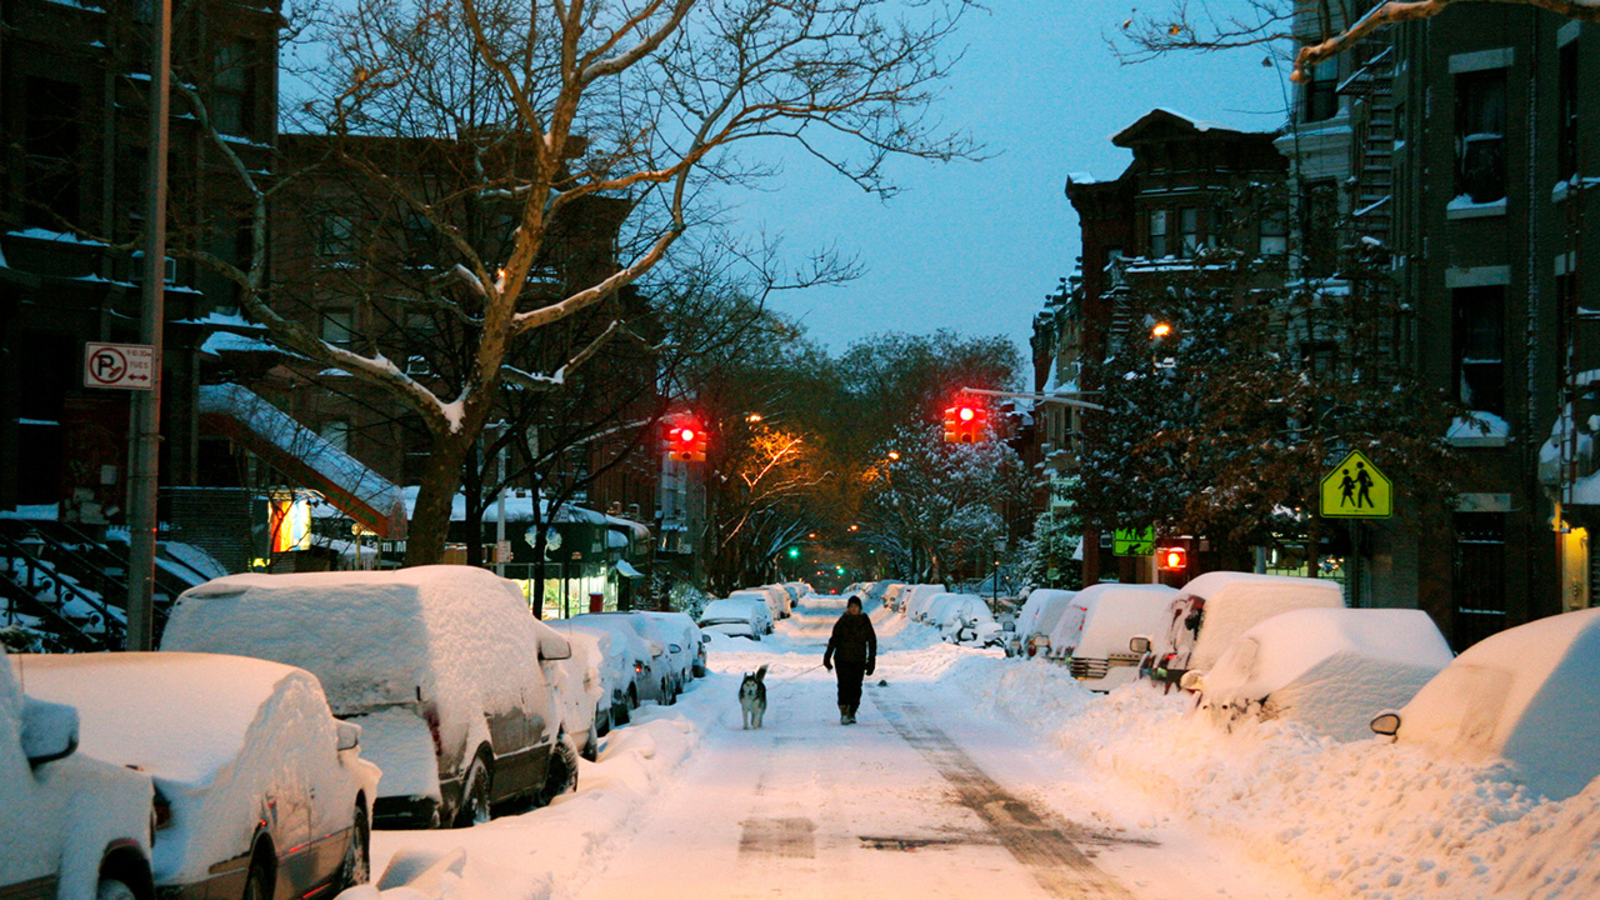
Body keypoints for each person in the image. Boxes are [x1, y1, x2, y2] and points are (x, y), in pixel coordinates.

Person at [823, 594, 876, 725]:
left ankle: (853, 711)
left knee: (856, 687)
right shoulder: (842, 622)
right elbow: (833, 640)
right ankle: (844, 711)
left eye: (855, 607)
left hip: (858, 659)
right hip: (842, 659)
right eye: (851, 607)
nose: (853, 609)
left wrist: (871, 661)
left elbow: (872, 641)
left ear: (860, 608)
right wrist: (827, 657)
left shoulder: (864, 621)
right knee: (843, 686)